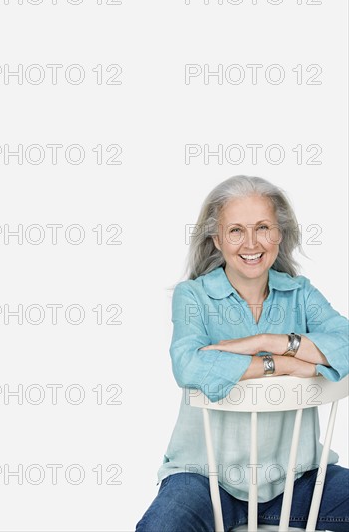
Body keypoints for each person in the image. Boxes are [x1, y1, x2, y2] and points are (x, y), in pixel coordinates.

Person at [135, 175, 349, 532]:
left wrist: (269, 339)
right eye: (236, 230)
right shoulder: (194, 296)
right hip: (204, 477)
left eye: (263, 227)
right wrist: (280, 363)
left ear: (280, 234)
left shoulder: (300, 293)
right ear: (217, 239)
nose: (251, 243)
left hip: (295, 480)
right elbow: (188, 366)